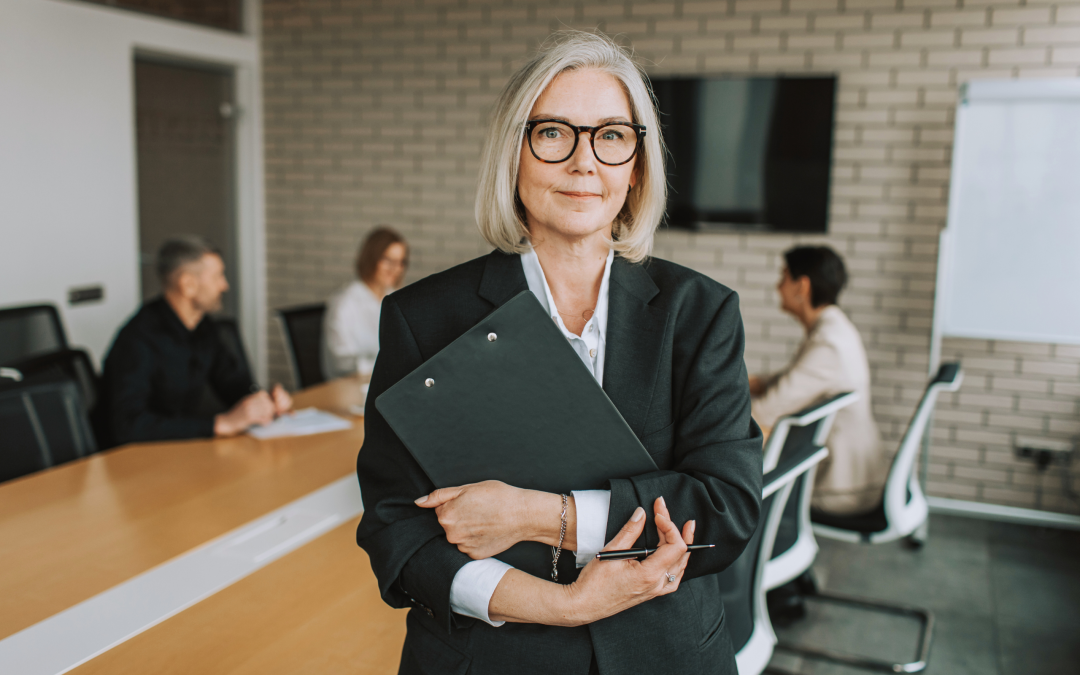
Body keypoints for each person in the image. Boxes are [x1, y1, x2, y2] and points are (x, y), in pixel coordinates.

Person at [356, 32, 761, 675]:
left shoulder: (701, 313)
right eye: (553, 134)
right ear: (513, 153)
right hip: (490, 656)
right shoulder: (422, 318)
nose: (584, 162)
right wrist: (563, 605)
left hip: (665, 652)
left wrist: (538, 515)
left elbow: (724, 511)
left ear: (636, 165)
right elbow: (394, 530)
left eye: (611, 136)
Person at [95, 236, 292, 447]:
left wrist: (262, 398)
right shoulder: (138, 339)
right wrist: (220, 424)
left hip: (180, 451)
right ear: (188, 284)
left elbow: (232, 381)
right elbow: (129, 426)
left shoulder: (203, 327)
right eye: (217, 277)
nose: (224, 286)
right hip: (132, 463)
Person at [749, 246, 885, 515]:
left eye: (783, 277)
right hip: (848, 476)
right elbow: (788, 380)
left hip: (842, 489)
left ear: (802, 286)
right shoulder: (832, 329)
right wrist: (747, 381)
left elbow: (765, 410)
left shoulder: (828, 343)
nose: (778, 287)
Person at [321, 226, 409, 379]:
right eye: (388, 261)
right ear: (372, 258)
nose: (395, 269)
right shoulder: (345, 303)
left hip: (385, 380)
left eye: (400, 262)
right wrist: (391, 363)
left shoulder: (394, 298)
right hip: (349, 386)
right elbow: (342, 363)